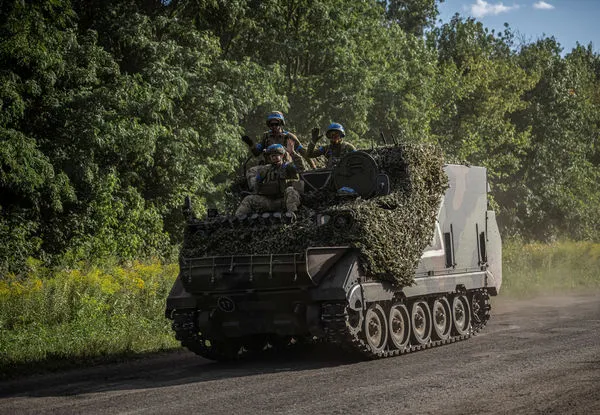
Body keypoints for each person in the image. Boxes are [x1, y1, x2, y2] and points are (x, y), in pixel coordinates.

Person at [235, 144, 301, 216]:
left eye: (276, 155)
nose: (274, 158)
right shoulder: (265, 169)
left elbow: (300, 167)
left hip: (283, 201)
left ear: (282, 156)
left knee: (291, 190)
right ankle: (238, 218)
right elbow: (256, 186)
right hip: (268, 202)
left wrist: (292, 153)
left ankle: (292, 214)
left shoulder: (287, 166)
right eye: (272, 156)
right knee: (248, 199)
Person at [241, 111, 309, 167]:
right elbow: (257, 153)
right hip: (269, 167)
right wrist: (251, 144)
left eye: (276, 124)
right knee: (252, 173)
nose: (274, 126)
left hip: (286, 166)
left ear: (280, 123)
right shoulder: (266, 136)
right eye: (271, 124)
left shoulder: (289, 136)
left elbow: (304, 153)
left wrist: (313, 167)